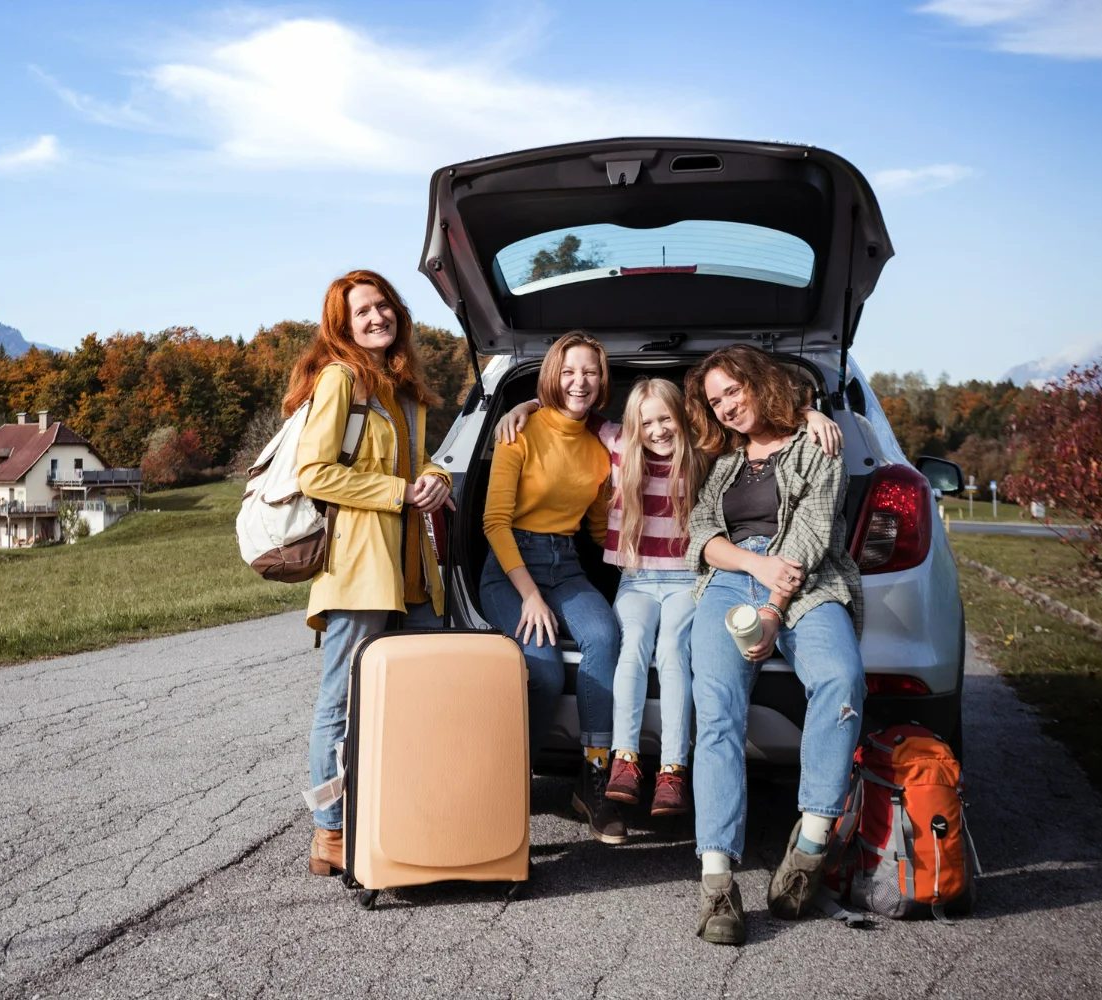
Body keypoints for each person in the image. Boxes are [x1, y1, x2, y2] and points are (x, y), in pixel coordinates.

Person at [494, 378, 841, 820]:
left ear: (683, 419)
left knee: (675, 650)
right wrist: (524, 405)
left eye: (666, 420)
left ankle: (672, 769)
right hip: (636, 580)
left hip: (685, 581)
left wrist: (809, 414)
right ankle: (624, 760)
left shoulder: (703, 449)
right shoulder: (618, 442)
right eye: (647, 423)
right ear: (632, 428)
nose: (657, 430)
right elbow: (571, 408)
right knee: (632, 645)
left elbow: (756, 426)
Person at [683, 344, 864, 946]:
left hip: (806, 583)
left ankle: (808, 850)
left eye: (734, 391)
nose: (727, 407)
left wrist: (772, 610)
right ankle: (717, 885)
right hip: (732, 579)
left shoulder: (819, 443)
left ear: (761, 383)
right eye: (716, 401)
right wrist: (748, 570)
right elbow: (702, 533)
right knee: (715, 711)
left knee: (841, 681)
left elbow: (811, 534)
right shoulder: (721, 459)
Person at [290, 269, 453, 878]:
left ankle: (403, 814)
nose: (377, 317)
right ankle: (329, 833)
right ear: (344, 326)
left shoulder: (403, 388)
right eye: (362, 312)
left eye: (383, 306)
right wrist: (398, 493)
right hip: (359, 568)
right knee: (341, 703)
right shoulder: (340, 380)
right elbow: (314, 473)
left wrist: (434, 481)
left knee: (422, 698)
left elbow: (423, 463)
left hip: (413, 569)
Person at [480, 330, 624, 844]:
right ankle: (509, 783)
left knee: (604, 636)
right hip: (510, 567)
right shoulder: (518, 430)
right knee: (542, 670)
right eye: (568, 371)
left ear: (601, 379)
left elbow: (594, 528)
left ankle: (594, 781)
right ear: (552, 377)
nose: (579, 381)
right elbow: (494, 523)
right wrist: (531, 597)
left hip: (564, 564)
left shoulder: (601, 451)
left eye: (589, 371)